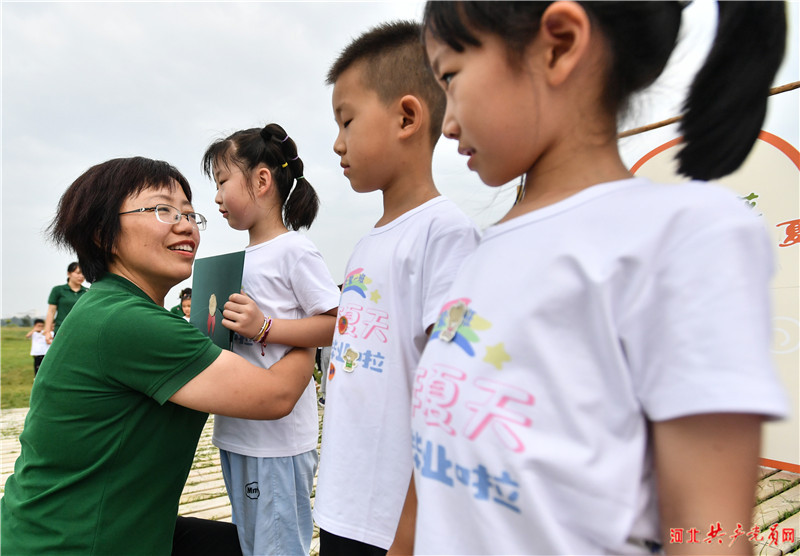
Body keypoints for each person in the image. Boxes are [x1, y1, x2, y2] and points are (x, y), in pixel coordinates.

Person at [406, 2, 790, 555]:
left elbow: (713, 534)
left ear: (559, 44)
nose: (448, 124)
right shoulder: (479, 254)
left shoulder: (683, 240)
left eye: (451, 76)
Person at [1, 156, 317, 555]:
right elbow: (276, 395)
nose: (185, 224)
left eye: (189, 213)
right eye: (162, 210)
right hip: (76, 542)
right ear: (102, 232)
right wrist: (308, 322)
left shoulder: (110, 305)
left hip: (76, 523)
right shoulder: (125, 321)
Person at [313, 21, 480, 556]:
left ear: (407, 116)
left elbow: (450, 399)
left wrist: (409, 536)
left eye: (347, 121)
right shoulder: (367, 245)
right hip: (343, 503)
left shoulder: (445, 233)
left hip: (395, 523)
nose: (338, 143)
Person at [201, 123, 340, 556]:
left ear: (261, 180)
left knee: (278, 548)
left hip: (276, 443)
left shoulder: (294, 250)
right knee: (253, 544)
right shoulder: (238, 258)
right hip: (237, 431)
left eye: (223, 181)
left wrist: (265, 328)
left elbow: (337, 322)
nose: (217, 197)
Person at [43, 261, 88, 343]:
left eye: (83, 273)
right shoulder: (58, 290)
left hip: (81, 331)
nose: (81, 276)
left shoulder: (87, 292)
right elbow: (51, 311)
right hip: (61, 330)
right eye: (78, 273)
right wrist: (47, 331)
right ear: (69, 274)